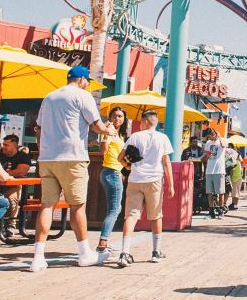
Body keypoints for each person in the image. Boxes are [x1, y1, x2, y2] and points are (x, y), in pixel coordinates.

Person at [29, 65, 116, 272]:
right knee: (77, 206)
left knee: (47, 206)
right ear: (83, 80)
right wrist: (109, 131)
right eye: (87, 82)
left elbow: (38, 128)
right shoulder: (82, 96)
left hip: (48, 158)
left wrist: (43, 151)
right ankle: (85, 253)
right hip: (73, 157)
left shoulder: (49, 97)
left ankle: (38, 257)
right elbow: (96, 125)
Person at [115, 110, 174, 267]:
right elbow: (166, 162)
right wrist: (171, 184)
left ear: (147, 122)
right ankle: (156, 252)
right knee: (156, 216)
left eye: (141, 121)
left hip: (135, 180)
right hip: (155, 180)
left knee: (131, 216)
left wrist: (128, 165)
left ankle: (124, 253)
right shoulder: (163, 138)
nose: (140, 124)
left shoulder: (135, 136)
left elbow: (120, 158)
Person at [96, 107, 128, 255]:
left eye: (121, 116)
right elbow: (103, 150)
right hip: (110, 172)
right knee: (115, 209)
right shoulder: (109, 131)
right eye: (115, 116)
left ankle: (104, 242)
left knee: (114, 208)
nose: (118, 119)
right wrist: (106, 135)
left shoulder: (119, 135)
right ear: (110, 117)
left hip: (113, 172)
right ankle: (102, 243)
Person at [0, 134, 32, 237]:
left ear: (14, 146)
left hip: (15, 185)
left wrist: (2, 173)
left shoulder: (22, 156)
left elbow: (21, 171)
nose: (3, 147)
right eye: (3, 144)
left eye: (6, 145)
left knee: (11, 198)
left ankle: (11, 225)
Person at [203, 128, 227, 219]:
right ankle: (211, 211)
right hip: (209, 170)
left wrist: (219, 136)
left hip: (219, 170)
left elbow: (224, 145)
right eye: (208, 137)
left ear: (215, 134)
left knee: (220, 191)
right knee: (209, 192)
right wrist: (207, 156)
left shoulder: (222, 140)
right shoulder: (208, 143)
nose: (209, 138)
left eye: (210, 136)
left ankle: (221, 211)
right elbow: (206, 157)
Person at [226, 143, 242, 210]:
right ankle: (233, 204)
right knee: (234, 192)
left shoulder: (235, 162)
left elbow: (233, 170)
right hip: (236, 178)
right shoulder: (237, 162)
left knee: (235, 192)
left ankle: (235, 205)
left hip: (235, 178)